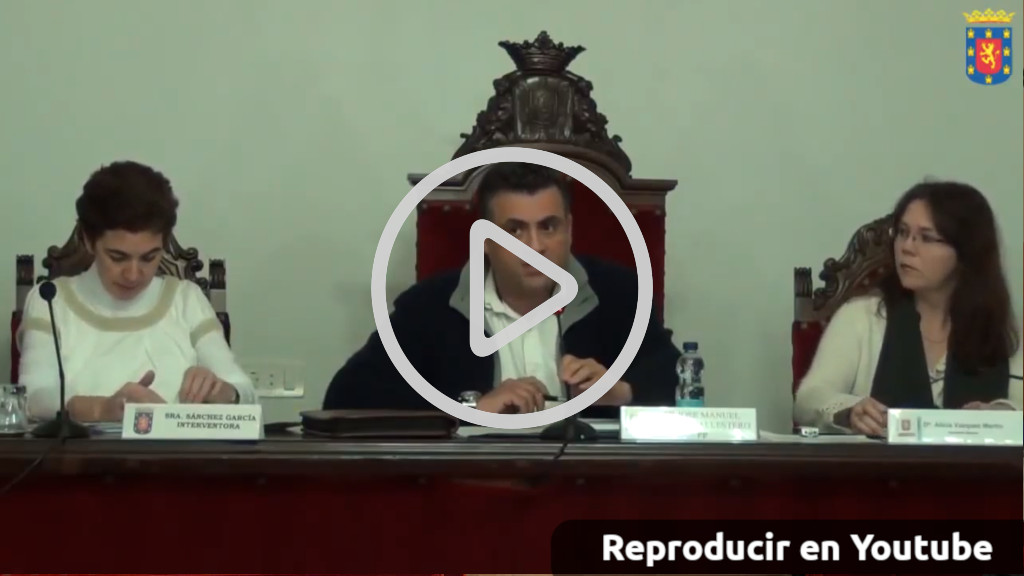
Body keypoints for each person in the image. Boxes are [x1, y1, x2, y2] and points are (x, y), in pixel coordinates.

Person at [323, 162, 680, 416]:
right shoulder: (429, 307)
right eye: (515, 230)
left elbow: (678, 381)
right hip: (471, 485)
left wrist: (622, 392)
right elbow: (345, 398)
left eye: (549, 227)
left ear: (569, 229)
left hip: (591, 485)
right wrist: (470, 408)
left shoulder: (619, 294)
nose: (535, 247)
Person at [17, 160, 256, 422]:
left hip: (176, 449)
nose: (133, 274)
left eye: (149, 258)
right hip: (80, 450)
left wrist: (221, 392)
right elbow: (32, 398)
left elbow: (246, 395)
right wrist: (100, 410)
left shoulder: (186, 299)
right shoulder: (50, 299)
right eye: (117, 257)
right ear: (87, 240)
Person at [794, 180, 1023, 435]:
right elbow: (808, 399)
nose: (907, 247)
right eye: (902, 233)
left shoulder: (1004, 332)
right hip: (879, 462)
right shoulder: (862, 317)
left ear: (966, 251)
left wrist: (1001, 415)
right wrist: (850, 411)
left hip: (977, 462)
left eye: (926, 238)